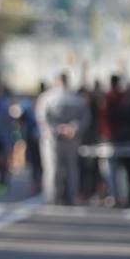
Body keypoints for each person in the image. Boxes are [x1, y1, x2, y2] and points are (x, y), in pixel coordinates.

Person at [36, 72, 89, 205]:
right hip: (72, 138)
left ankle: (52, 197)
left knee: (52, 168)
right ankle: (72, 195)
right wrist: (73, 128)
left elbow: (42, 119)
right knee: (72, 168)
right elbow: (85, 118)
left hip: (52, 139)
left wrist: (57, 129)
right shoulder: (77, 98)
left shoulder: (46, 98)